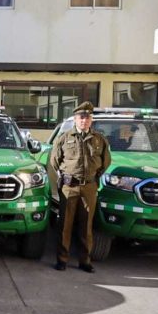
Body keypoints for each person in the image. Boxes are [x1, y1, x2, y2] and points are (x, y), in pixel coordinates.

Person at [49, 101, 111, 273]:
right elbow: (55, 161)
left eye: (88, 118)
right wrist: (66, 176)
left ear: (91, 120)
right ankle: (62, 259)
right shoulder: (65, 138)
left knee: (86, 226)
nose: (84, 121)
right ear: (75, 119)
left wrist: (94, 178)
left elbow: (105, 162)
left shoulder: (99, 140)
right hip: (69, 186)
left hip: (89, 187)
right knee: (65, 225)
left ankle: (85, 260)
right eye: (81, 117)